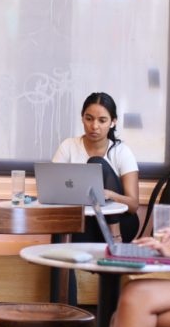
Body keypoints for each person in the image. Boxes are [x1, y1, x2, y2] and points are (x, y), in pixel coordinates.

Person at [53, 92, 140, 241]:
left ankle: (114, 234)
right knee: (61, 236)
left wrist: (109, 195)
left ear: (113, 122)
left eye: (102, 120)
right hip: (84, 219)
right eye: (89, 119)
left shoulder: (122, 152)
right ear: (82, 118)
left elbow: (133, 205)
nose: (94, 126)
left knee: (96, 163)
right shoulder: (68, 146)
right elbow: (52, 187)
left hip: (121, 225)